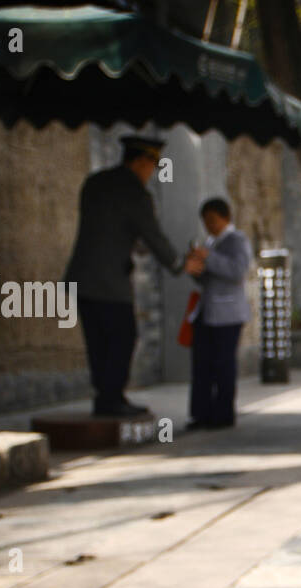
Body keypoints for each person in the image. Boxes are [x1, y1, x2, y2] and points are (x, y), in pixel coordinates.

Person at [64, 135, 189, 417]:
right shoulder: (135, 192)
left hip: (81, 276)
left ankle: (104, 396)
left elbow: (107, 226)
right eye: (151, 166)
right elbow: (153, 236)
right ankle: (112, 398)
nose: (151, 173)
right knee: (122, 336)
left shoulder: (95, 183)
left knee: (97, 341)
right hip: (109, 281)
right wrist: (179, 263)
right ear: (141, 161)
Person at [184, 198, 253, 430]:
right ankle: (201, 413)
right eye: (206, 222)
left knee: (223, 364)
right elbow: (206, 277)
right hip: (206, 310)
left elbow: (237, 270)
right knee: (201, 365)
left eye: (213, 220)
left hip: (228, 313)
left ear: (225, 218)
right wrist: (195, 267)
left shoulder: (237, 240)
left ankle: (223, 413)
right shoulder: (211, 243)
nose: (209, 226)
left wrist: (208, 257)